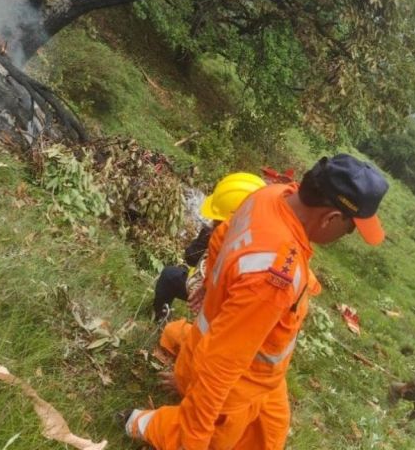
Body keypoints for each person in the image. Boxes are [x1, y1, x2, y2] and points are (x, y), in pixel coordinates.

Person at [126, 154, 389, 450]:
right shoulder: (274, 278)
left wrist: (211, 281)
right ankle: (141, 423)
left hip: (261, 368)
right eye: (351, 228)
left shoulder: (271, 195)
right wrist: (193, 440)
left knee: (271, 435)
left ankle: (187, 381)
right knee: (209, 438)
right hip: (239, 382)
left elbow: (222, 233)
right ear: (330, 218)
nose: (346, 235)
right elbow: (221, 365)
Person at [152, 173, 266, 322]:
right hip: (245, 309)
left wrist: (206, 237)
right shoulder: (263, 242)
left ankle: (160, 317)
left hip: (220, 302)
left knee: (169, 276)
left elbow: (191, 257)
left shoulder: (221, 239)